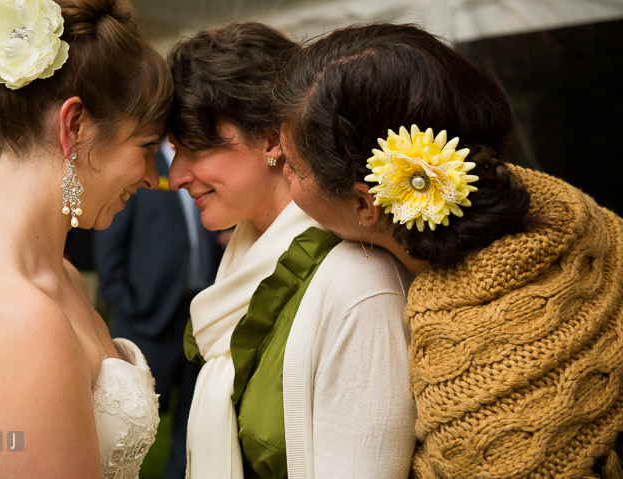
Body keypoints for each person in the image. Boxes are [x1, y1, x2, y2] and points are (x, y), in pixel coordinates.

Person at [277, 22, 623, 479]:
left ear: (364, 203)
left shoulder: (482, 379)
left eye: (291, 166)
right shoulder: (591, 227)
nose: (280, 176)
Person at [0, 0, 172, 477]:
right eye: (146, 147)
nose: (153, 177)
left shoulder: (56, 272)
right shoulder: (14, 316)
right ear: (74, 126)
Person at [167, 21, 416, 479]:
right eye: (173, 152)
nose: (176, 175)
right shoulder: (243, 259)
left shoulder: (361, 282)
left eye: (196, 148)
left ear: (270, 139)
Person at [94, 139, 223, 479]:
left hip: (199, 315)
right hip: (146, 315)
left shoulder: (205, 174)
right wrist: (122, 298)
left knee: (193, 415)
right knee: (134, 421)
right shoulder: (145, 173)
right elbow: (111, 239)